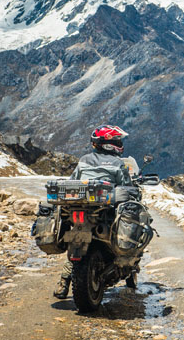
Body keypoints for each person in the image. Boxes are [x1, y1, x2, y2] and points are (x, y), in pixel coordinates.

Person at [53, 124, 132, 299]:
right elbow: (127, 187)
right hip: (103, 210)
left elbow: (73, 181)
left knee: (77, 239)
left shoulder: (84, 160)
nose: (120, 143)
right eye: (117, 140)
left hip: (78, 207)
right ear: (108, 144)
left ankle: (64, 282)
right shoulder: (118, 163)